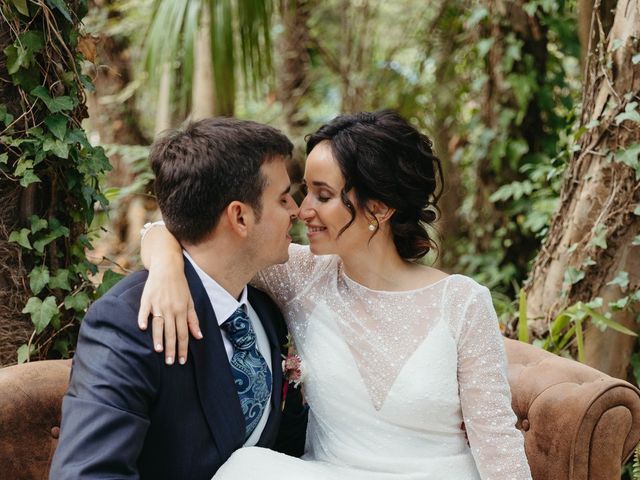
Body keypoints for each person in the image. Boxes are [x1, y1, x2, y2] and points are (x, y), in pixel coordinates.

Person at [139, 110, 532, 479]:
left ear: (378, 209)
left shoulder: (461, 301)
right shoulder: (300, 275)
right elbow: (193, 232)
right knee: (245, 468)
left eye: (322, 195)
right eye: (302, 192)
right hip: (330, 472)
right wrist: (166, 266)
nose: (301, 210)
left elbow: (496, 438)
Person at [49, 118, 308, 480]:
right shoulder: (129, 323)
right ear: (240, 217)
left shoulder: (267, 313)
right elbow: (89, 473)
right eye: (283, 198)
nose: (297, 210)